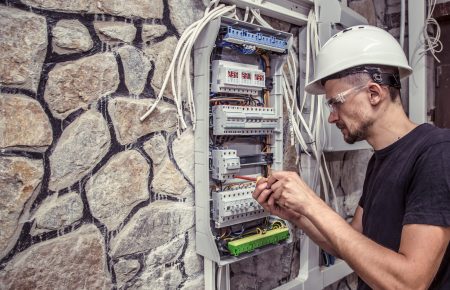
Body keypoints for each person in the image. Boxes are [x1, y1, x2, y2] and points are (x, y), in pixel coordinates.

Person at [252, 25, 450, 290]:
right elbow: (353, 240)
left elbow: (410, 283)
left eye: (336, 102)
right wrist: (297, 213)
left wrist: (311, 203)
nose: (331, 116)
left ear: (374, 93)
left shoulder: (437, 152)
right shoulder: (380, 159)